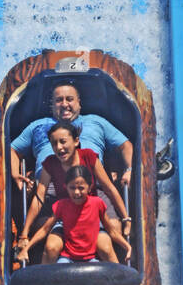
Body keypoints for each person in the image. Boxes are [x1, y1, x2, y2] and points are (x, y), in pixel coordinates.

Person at [16, 120, 132, 256]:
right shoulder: (50, 163)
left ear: (76, 141)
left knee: (105, 246)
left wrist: (126, 219)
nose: (59, 147)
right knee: (51, 247)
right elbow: (39, 197)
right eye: (54, 143)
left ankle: (113, 274)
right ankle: (51, 275)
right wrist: (24, 234)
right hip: (65, 215)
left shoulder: (89, 157)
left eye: (63, 141)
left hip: (90, 213)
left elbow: (109, 188)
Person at [10, 79, 133, 192]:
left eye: (69, 99)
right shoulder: (37, 126)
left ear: (78, 102)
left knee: (112, 216)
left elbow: (125, 146)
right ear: (52, 105)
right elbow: (13, 150)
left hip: (92, 187)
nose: (64, 104)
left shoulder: (97, 122)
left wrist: (129, 170)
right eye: (59, 100)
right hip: (49, 189)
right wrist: (15, 174)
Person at [20, 164, 131, 265]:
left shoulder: (97, 203)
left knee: (105, 267)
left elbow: (111, 230)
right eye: (72, 188)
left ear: (90, 187)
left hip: (90, 258)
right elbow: (45, 229)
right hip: (68, 258)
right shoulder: (61, 205)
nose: (77, 192)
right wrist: (26, 249)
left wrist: (127, 247)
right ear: (66, 187)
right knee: (57, 270)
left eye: (81, 188)